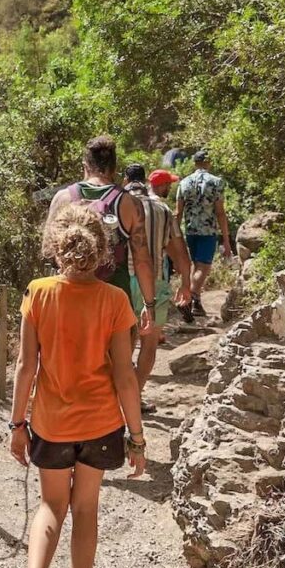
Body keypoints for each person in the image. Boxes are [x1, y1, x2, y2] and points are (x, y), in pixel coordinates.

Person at [10, 204, 147, 568]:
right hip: (100, 424)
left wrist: (17, 425)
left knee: (51, 507)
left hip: (52, 425)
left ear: (54, 246)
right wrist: (136, 437)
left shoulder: (37, 293)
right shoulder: (115, 300)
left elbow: (26, 367)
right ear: (102, 250)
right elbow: (125, 376)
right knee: (85, 509)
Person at [44, 135, 157, 336]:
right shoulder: (129, 204)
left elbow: (48, 251)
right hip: (114, 302)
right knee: (116, 364)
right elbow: (142, 260)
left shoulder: (62, 198)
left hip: (68, 301)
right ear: (114, 168)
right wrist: (149, 305)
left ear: (85, 166)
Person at [122, 165, 193, 410]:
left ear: (125, 180)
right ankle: (135, 398)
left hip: (122, 280)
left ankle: (117, 397)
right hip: (154, 280)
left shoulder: (119, 203)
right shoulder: (162, 209)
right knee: (149, 343)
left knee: (123, 342)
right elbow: (179, 250)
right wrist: (186, 283)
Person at [176, 150, 232, 319]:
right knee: (204, 266)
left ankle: (196, 305)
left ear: (194, 163)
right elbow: (220, 212)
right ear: (208, 163)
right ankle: (189, 297)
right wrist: (227, 240)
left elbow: (178, 212)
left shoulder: (184, 183)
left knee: (196, 265)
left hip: (190, 230)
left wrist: (174, 234)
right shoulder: (216, 182)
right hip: (208, 231)